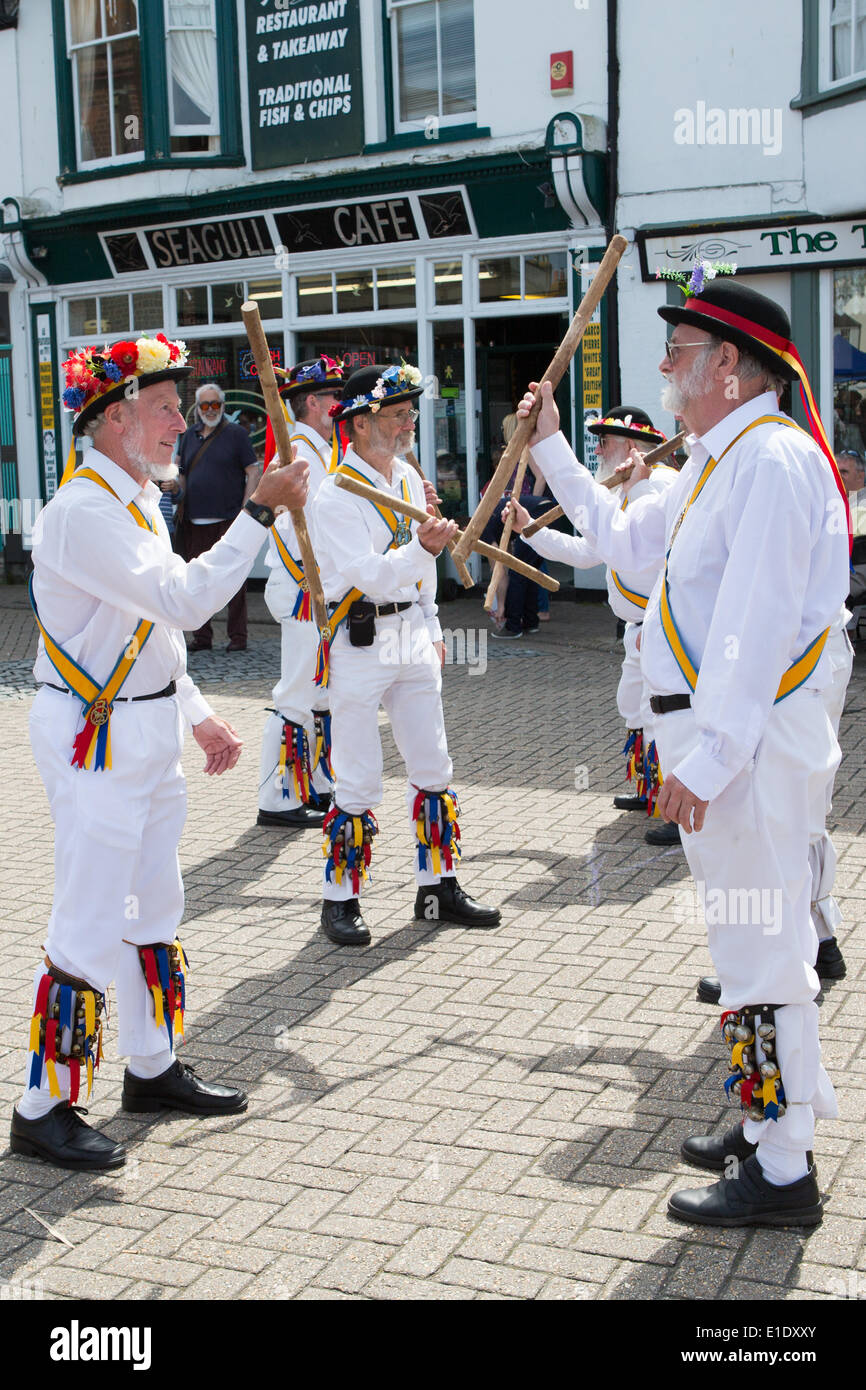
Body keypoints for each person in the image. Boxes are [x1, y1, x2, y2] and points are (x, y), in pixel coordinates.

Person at [518, 277, 851, 1227]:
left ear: (731, 367)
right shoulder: (718, 458)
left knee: (765, 953)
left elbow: (755, 625)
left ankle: (784, 1168)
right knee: (749, 947)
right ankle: (763, 1120)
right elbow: (624, 544)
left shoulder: (772, 462)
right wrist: (547, 447)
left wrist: (706, 761)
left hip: (742, 748)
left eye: (680, 352)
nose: (664, 368)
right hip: (715, 738)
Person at [11, 334, 309, 1171]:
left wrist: (200, 713)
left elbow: (144, 638)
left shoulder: (136, 494)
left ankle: (150, 1068)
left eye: (183, 407)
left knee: (156, 908)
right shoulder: (82, 512)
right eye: (168, 408)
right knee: (90, 917)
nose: (185, 420)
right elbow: (180, 601)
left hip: (140, 725)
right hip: (91, 737)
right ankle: (44, 1106)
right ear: (113, 419)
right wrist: (259, 510)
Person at [310, 362, 501, 947]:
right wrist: (422, 551)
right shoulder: (333, 493)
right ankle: (340, 899)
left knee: (433, 763)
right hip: (358, 640)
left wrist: (434, 623)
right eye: (398, 415)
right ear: (361, 424)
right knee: (360, 778)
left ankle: (437, 886)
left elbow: (420, 579)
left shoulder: (410, 480)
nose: (408, 424)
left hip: (411, 635)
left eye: (409, 413)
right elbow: (370, 577)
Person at [506, 407, 680, 846]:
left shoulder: (659, 486)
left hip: (667, 627)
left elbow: (640, 547)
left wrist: (635, 487)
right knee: (636, 707)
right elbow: (588, 551)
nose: (599, 449)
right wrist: (531, 531)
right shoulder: (629, 488)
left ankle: (678, 809)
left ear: (634, 447)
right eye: (599, 441)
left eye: (606, 441)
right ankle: (650, 788)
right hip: (638, 627)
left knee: (668, 715)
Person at [257, 356, 345, 829]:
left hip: (317, 589)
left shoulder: (318, 451)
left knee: (319, 694)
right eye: (333, 397)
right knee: (294, 692)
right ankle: (276, 798)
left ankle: (316, 783)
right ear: (312, 402)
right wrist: (318, 585)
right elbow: (291, 535)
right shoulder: (300, 456)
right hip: (301, 590)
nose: (340, 405)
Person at [173, 383, 261, 652]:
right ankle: (202, 637)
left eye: (215, 405)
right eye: (204, 405)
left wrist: (246, 510)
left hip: (228, 519)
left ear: (222, 407)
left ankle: (238, 637)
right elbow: (182, 473)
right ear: (197, 409)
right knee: (196, 581)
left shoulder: (236, 434)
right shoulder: (188, 436)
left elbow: (253, 472)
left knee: (234, 581)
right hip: (195, 520)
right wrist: (178, 495)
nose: (210, 410)